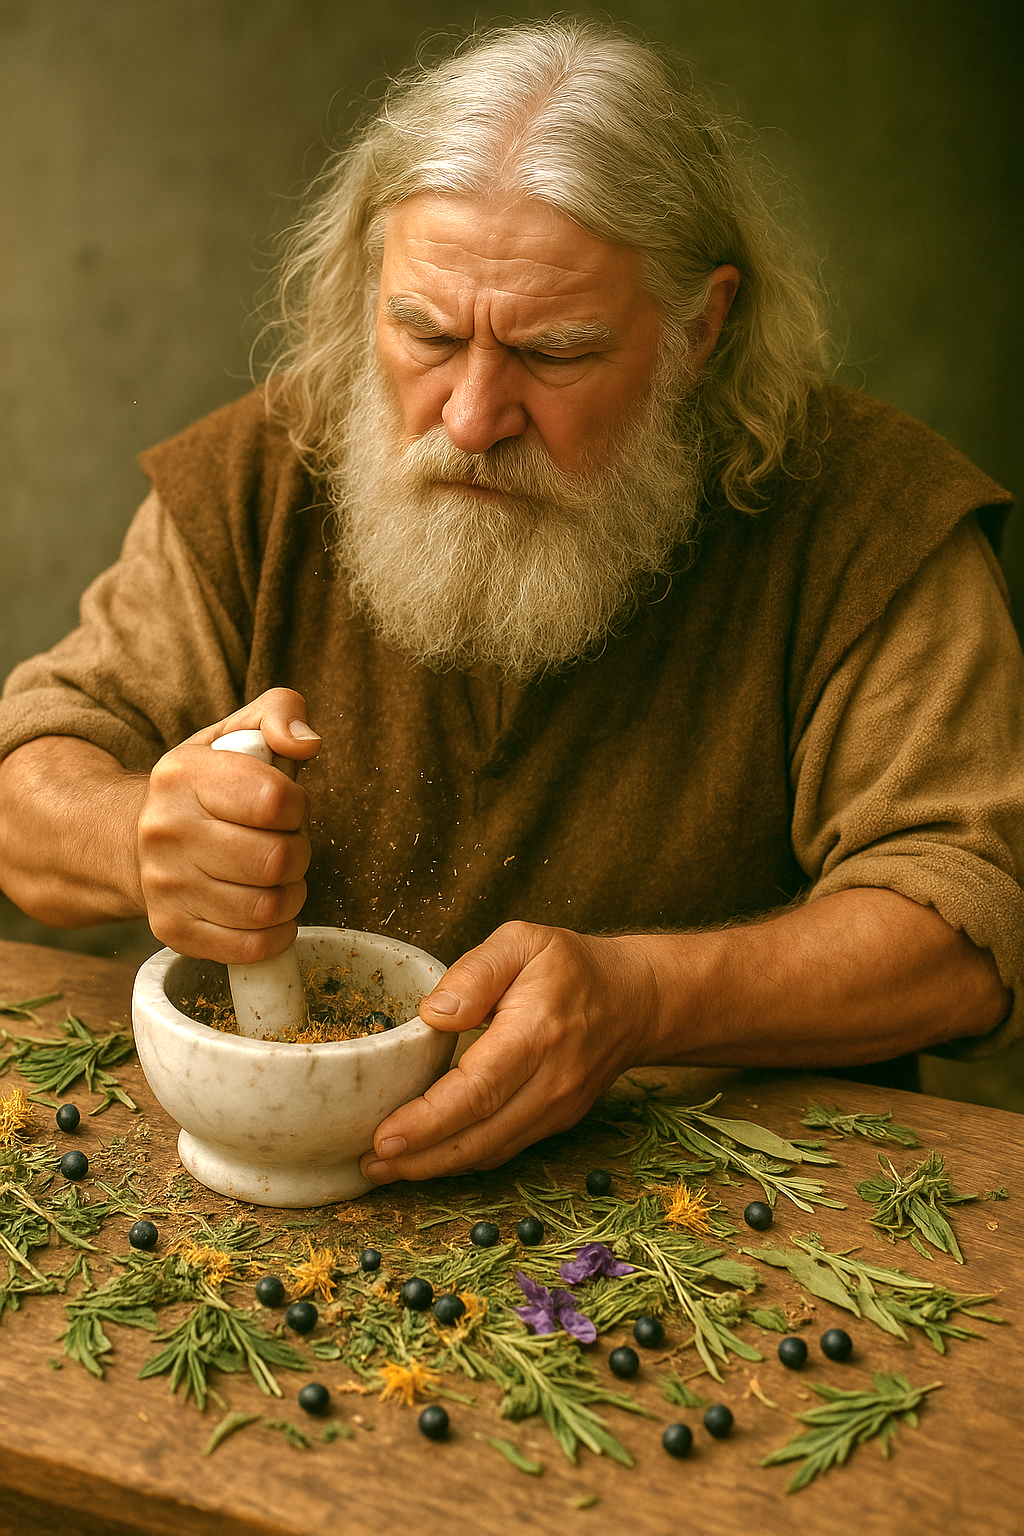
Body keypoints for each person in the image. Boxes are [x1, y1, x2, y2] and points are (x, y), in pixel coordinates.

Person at [1, 22, 1022, 1187]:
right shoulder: (260, 478)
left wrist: (648, 999)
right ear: (364, 291)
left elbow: (965, 925)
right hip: (317, 1216)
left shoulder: (869, 521)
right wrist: (140, 839)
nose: (474, 414)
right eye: (424, 333)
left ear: (700, 329)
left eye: (553, 351)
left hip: (732, 1214)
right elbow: (26, 784)